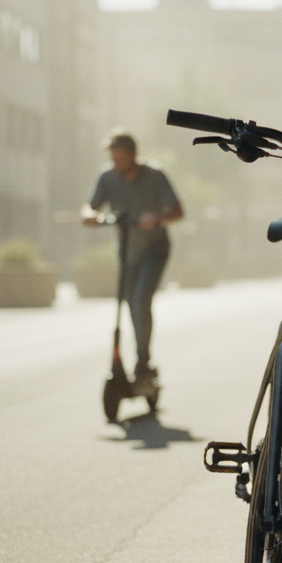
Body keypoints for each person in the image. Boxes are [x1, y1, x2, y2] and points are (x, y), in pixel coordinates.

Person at [82, 131, 183, 395]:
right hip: (128, 252)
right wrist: (92, 215)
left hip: (155, 250)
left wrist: (157, 218)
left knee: (139, 300)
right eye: (113, 157)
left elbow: (177, 211)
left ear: (134, 155)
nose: (117, 163)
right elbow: (90, 207)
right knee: (128, 302)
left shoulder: (155, 175)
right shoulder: (107, 177)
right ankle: (136, 360)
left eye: (122, 157)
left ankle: (143, 362)